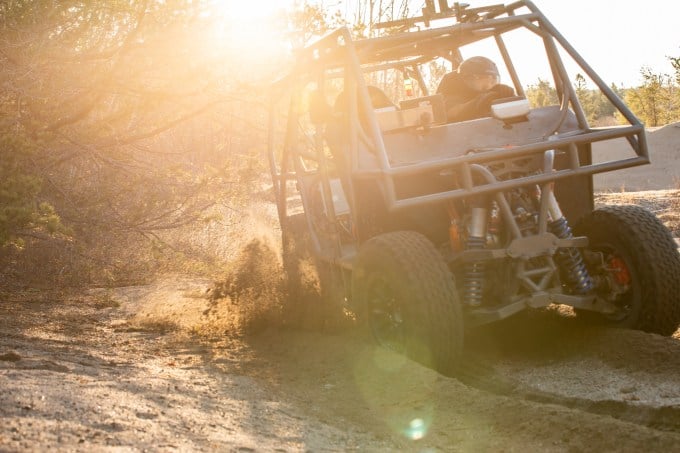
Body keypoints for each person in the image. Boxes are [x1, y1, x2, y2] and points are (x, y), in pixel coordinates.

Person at [436, 56, 515, 122]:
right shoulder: (452, 95)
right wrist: (477, 102)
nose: (488, 86)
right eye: (481, 79)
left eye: (492, 80)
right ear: (466, 79)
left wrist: (510, 99)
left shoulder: (495, 94)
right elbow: (451, 113)